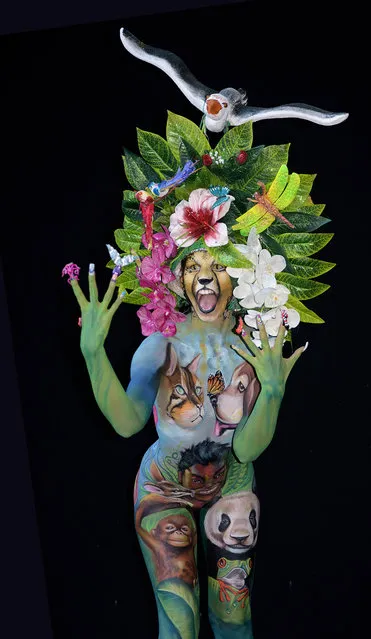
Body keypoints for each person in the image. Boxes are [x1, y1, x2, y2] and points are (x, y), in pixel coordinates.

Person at [69, 246, 306, 638]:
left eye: (219, 266)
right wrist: (93, 354)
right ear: (178, 280)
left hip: (231, 481)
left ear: (241, 278)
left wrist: (273, 393)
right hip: (164, 486)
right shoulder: (160, 347)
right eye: (193, 267)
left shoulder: (252, 349)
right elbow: (128, 423)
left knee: (234, 617)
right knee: (178, 624)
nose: (206, 277)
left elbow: (246, 449)